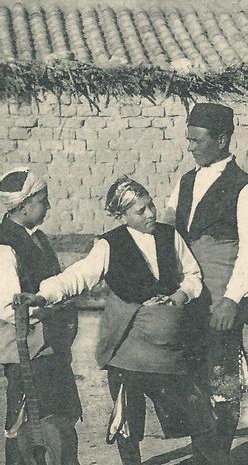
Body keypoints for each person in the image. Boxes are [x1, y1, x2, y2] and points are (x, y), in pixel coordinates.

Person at [26, 176, 222, 465]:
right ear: (121, 216)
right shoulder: (109, 244)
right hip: (127, 350)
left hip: (168, 349)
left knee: (195, 410)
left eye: (150, 205)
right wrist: (43, 296)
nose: (151, 214)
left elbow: (192, 276)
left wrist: (181, 296)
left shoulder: (170, 236)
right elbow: (79, 275)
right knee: (127, 419)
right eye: (140, 211)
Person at [165, 102, 248, 464]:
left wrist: (232, 299)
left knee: (222, 382)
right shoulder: (186, 182)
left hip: (221, 302)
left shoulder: (247, 189)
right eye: (188, 139)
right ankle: (202, 454)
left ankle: (217, 456)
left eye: (197, 140)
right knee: (192, 380)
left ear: (222, 139)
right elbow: (172, 236)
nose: (190, 146)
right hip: (190, 298)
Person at [0, 166, 82, 465]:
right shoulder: (5, 244)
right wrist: (51, 307)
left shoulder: (38, 237)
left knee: (59, 419)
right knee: (24, 422)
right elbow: (10, 307)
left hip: (49, 347)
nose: (48, 206)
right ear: (23, 205)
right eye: (42, 200)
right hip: (26, 350)